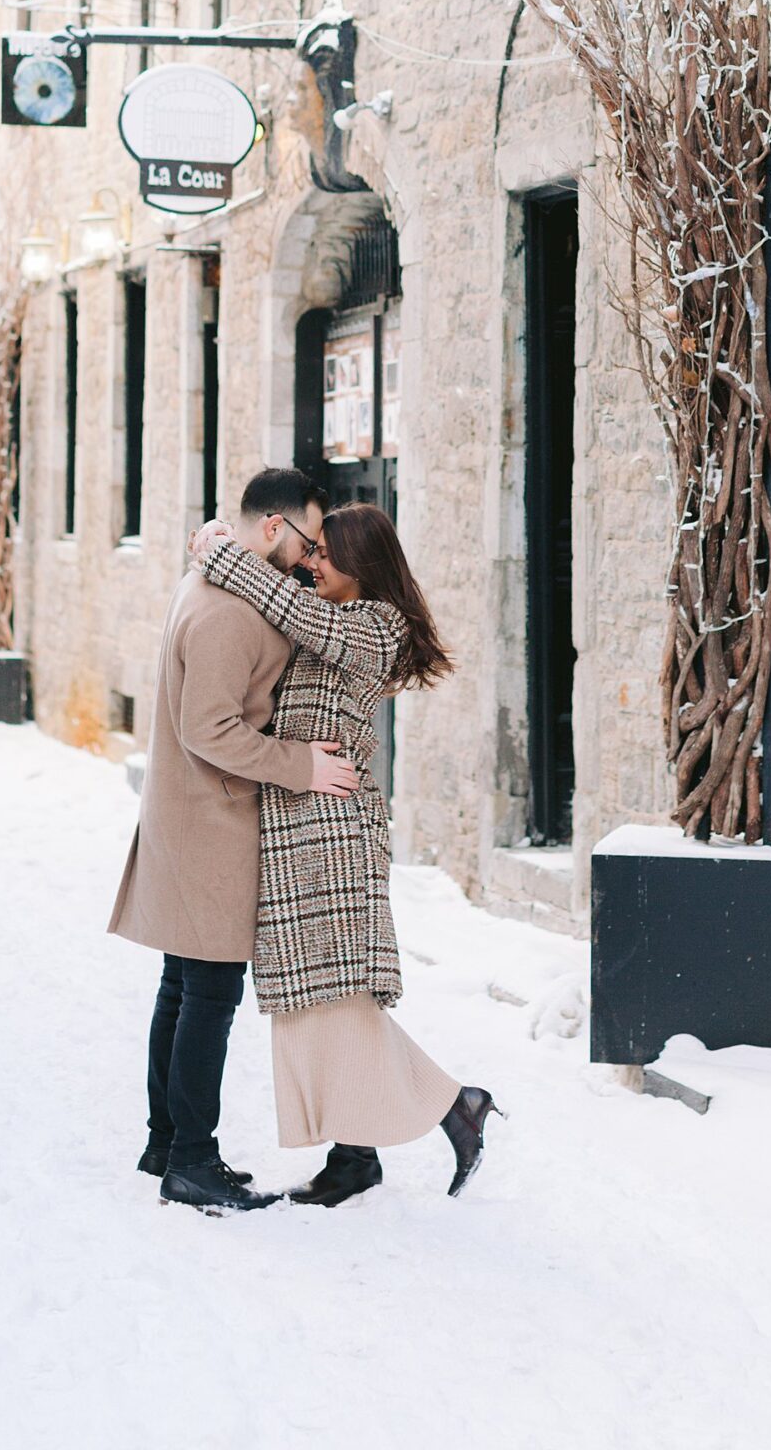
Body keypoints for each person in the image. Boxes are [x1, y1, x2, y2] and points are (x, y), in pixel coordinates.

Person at [192, 502, 501, 1206]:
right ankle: (356, 1155)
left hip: (330, 831)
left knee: (332, 999)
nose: (311, 561)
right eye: (313, 550)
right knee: (314, 998)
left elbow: (295, 615)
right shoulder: (326, 611)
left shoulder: (374, 626)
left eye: (325, 552)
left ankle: (454, 1107)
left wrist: (218, 548)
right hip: (301, 818)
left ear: (362, 562)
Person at [107, 467, 358, 1215]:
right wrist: (301, 766)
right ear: (273, 528)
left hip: (192, 818)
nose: (313, 559)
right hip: (211, 825)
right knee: (208, 995)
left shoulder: (219, 587)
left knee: (182, 988)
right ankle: (190, 1159)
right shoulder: (227, 611)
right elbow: (209, 727)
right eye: (309, 540)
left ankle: (165, 1140)